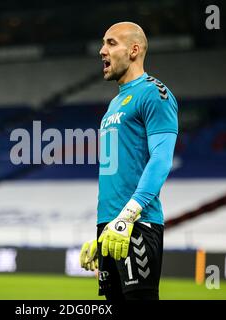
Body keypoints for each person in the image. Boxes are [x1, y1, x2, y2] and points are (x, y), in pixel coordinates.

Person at [80, 22, 178, 300]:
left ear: (134, 50)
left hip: (136, 224)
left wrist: (126, 217)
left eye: (111, 43)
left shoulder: (154, 93)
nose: (102, 50)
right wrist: (103, 233)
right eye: (103, 43)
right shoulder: (114, 104)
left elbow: (161, 158)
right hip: (111, 227)